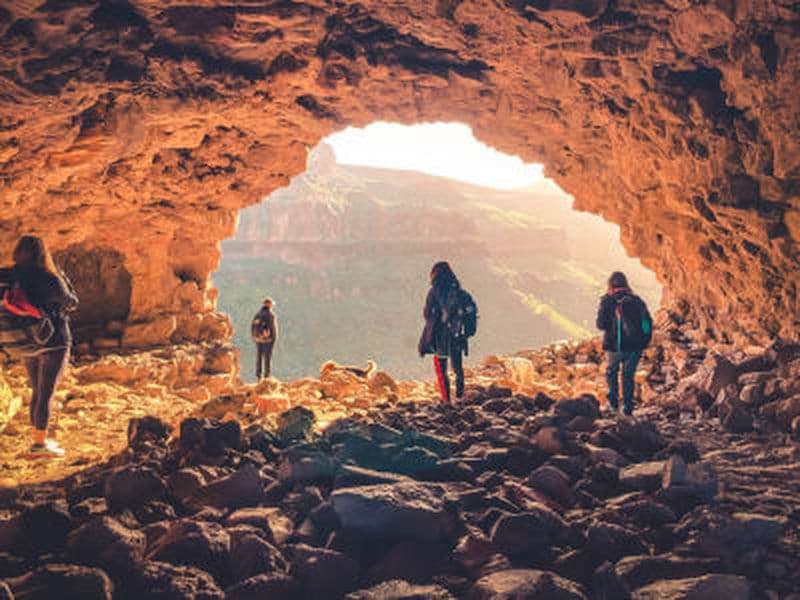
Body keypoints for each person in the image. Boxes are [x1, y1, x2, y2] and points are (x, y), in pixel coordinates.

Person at [0, 236, 78, 458]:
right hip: (52, 341)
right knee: (46, 393)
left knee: (37, 390)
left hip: (24, 343)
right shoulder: (49, 278)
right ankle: (39, 445)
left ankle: (37, 438)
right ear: (42, 254)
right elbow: (71, 302)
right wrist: (62, 276)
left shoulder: (5, 275)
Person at [419, 261, 478, 403]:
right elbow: (471, 312)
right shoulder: (459, 291)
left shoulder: (435, 291)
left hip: (440, 335)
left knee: (441, 367)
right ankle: (460, 396)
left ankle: (446, 400)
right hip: (457, 334)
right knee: (457, 367)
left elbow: (427, 313)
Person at [596, 271, 652, 416]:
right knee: (628, 376)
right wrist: (645, 342)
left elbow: (601, 325)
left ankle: (613, 404)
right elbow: (647, 323)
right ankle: (628, 407)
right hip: (635, 347)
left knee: (611, 373)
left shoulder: (607, 301)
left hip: (614, 347)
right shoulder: (636, 300)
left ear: (610, 285)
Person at [251, 297, 277, 380]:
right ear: (269, 304)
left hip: (258, 339)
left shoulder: (257, 314)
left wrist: (255, 337)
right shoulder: (270, 314)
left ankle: (258, 375)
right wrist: (273, 338)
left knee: (259, 356)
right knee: (267, 357)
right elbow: (272, 328)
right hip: (268, 339)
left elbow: (253, 326)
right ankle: (267, 376)